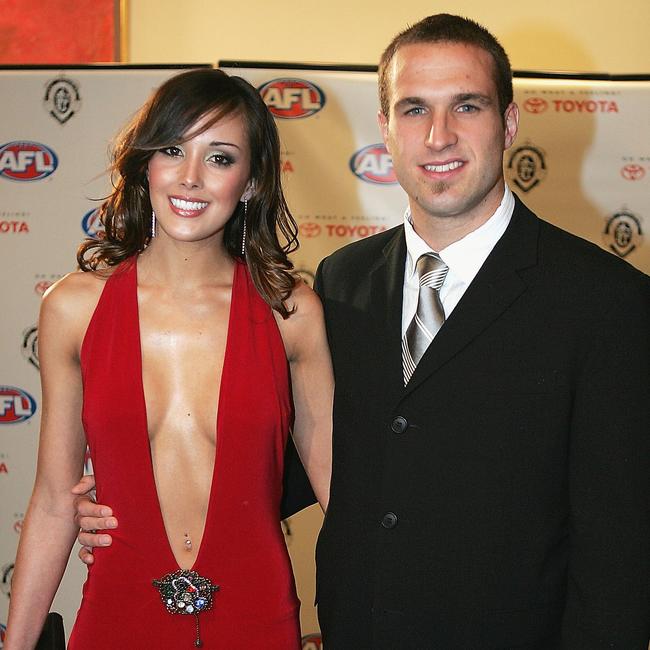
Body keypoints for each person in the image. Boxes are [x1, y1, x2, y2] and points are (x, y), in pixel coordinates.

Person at [73, 14, 650, 649]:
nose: (438, 135)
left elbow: (619, 560)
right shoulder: (342, 281)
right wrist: (141, 488)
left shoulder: (605, 303)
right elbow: (297, 458)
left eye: (466, 105)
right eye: (413, 110)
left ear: (509, 124)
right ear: (385, 130)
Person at [5, 68, 331, 650]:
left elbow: (345, 501)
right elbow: (56, 501)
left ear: (252, 181)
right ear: (145, 165)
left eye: (221, 158)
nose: (190, 177)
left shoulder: (291, 314)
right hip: (115, 614)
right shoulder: (74, 308)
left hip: (258, 617)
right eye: (173, 150)